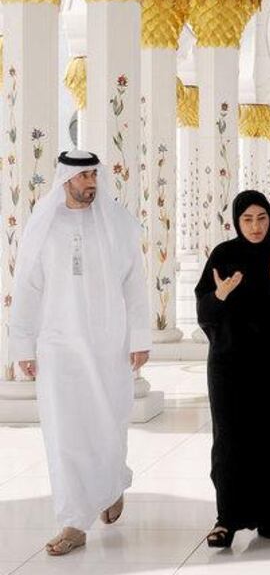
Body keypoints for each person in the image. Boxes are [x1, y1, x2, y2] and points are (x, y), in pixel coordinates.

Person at [9, 150, 151, 556]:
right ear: (65, 179)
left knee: (108, 421)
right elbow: (27, 287)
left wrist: (140, 337)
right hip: (57, 344)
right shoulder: (44, 226)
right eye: (83, 176)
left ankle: (110, 484)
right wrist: (22, 343)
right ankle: (72, 521)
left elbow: (134, 283)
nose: (91, 182)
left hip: (108, 342)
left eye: (94, 174)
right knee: (63, 430)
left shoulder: (116, 224)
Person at [195, 190, 270, 548]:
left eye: (262, 218)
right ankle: (227, 519)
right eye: (247, 219)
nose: (256, 226)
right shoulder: (223, 256)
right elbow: (204, 312)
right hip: (229, 367)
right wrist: (220, 296)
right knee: (231, 441)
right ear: (236, 221)